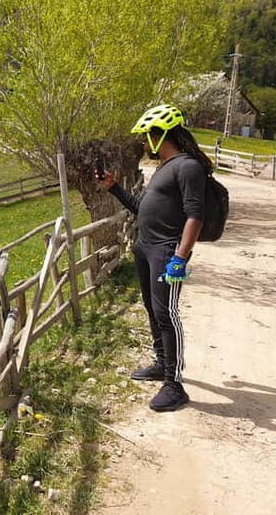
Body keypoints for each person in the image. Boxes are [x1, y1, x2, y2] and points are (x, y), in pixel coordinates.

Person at [96, 104, 212, 412]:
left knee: (166, 314)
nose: (143, 142)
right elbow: (141, 208)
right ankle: (162, 363)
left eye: (146, 136)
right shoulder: (164, 166)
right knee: (152, 309)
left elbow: (196, 216)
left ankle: (174, 385)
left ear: (160, 136)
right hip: (146, 249)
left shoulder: (188, 167)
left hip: (166, 252)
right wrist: (114, 188)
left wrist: (180, 258)